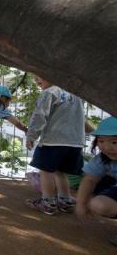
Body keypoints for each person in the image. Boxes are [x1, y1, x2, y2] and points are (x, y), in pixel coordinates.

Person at [25, 75, 94, 215]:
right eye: (34, 76)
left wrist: (31, 136)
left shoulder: (50, 92)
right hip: (75, 142)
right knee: (60, 172)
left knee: (46, 171)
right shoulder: (76, 95)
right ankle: (64, 199)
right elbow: (81, 119)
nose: (37, 79)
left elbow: (39, 115)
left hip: (53, 140)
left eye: (40, 75)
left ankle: (48, 202)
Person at [76, 116, 117, 245]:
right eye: (101, 141)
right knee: (98, 204)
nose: (107, 147)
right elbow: (89, 180)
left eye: (114, 142)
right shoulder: (102, 158)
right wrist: (81, 205)